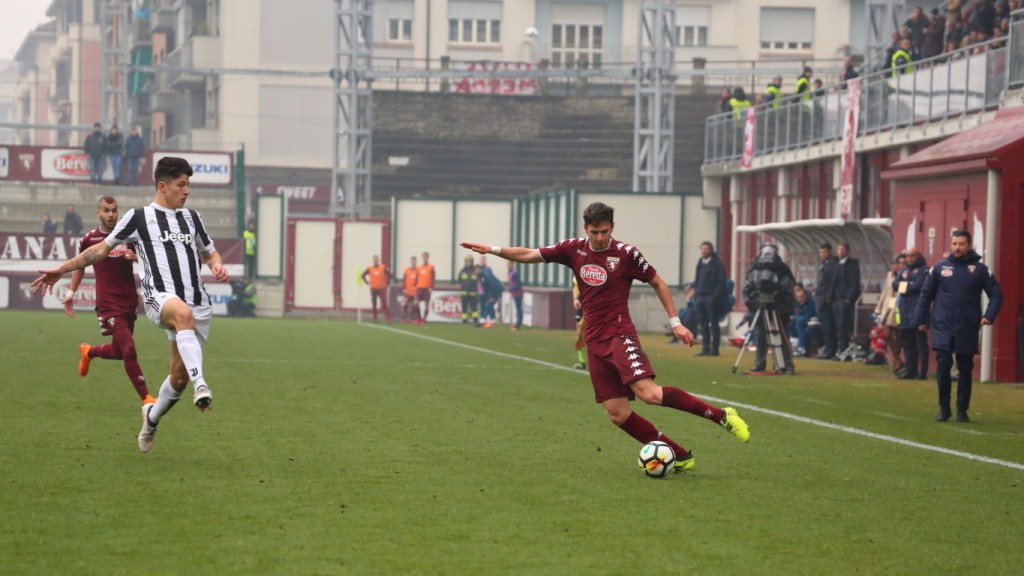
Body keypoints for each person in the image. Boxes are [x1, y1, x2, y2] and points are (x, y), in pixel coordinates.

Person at [460, 202, 750, 473]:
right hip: (594, 340)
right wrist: (493, 249)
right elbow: (528, 254)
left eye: (605, 231)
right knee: (617, 413)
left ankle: (721, 415)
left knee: (650, 394)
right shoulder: (572, 249)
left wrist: (676, 322)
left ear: (612, 227)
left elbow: (658, 282)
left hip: (619, 334)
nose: (600, 237)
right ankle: (680, 456)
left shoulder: (626, 254)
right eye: (594, 232)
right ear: (586, 229)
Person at [33, 156, 229, 453]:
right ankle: (202, 384)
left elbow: (210, 253)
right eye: (181, 185)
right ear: (163, 186)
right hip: (160, 297)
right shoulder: (139, 217)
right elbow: (99, 250)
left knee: (178, 377)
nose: (187, 191)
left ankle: (151, 419)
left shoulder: (193, 218)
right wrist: (60, 270)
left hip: (198, 302)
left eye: (188, 185)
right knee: (182, 316)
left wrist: (216, 265)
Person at [62, 195, 154, 406]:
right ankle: (147, 399)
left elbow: (151, 258)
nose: (111, 215)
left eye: (114, 210)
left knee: (118, 352)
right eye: (106, 210)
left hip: (129, 301)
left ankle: (88, 351)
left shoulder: (129, 237)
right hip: (108, 304)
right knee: (129, 348)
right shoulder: (89, 239)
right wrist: (70, 294)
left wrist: (136, 256)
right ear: (98, 213)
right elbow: (80, 266)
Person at [913, 230, 1003, 423]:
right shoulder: (939, 267)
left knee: (964, 367)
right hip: (942, 325)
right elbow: (925, 294)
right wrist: (921, 319)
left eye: (961, 244)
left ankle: (962, 409)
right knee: (943, 364)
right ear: (951, 244)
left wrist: (989, 316)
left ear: (969, 245)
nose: (958, 248)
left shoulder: (979, 269)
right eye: (954, 243)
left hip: (967, 326)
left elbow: (996, 294)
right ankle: (944, 408)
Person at [741, 244, 796, 374]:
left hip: (778, 308)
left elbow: (788, 290)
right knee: (760, 336)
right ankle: (760, 364)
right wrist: (755, 304)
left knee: (781, 336)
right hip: (760, 307)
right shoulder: (755, 270)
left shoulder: (782, 270)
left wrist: (778, 297)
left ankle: (786, 365)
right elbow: (747, 289)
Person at [895, 246, 929, 380]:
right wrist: (907, 285)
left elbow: (917, 286)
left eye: (912, 256)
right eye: (908, 256)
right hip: (904, 312)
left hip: (918, 311)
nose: (910, 258)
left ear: (918, 256)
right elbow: (894, 284)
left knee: (921, 344)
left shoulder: (924, 271)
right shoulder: (904, 270)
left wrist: (904, 286)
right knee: (908, 344)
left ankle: (923, 372)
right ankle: (910, 370)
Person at [873, 253, 906, 376]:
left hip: (898, 309)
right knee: (887, 334)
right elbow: (885, 292)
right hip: (888, 308)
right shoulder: (889, 275)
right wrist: (878, 308)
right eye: (899, 263)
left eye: (904, 263)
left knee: (897, 336)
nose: (901, 266)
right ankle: (897, 360)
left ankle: (897, 361)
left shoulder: (906, 276)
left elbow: (901, 292)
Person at [693, 241, 727, 356]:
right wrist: (696, 294)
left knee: (713, 324)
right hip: (700, 297)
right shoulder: (700, 263)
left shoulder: (717, 264)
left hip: (711, 298)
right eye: (702, 249)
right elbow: (697, 279)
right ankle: (705, 348)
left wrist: (714, 297)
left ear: (710, 250)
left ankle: (715, 349)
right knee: (703, 325)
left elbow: (721, 283)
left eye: (706, 249)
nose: (704, 251)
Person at [831, 242, 861, 358]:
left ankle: (844, 348)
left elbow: (855, 283)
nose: (840, 252)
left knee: (843, 324)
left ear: (847, 251)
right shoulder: (835, 264)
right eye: (839, 249)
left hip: (845, 299)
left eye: (843, 250)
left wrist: (849, 299)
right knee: (836, 325)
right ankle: (839, 348)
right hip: (836, 299)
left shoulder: (852, 264)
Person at [813, 242, 839, 359]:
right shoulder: (823, 264)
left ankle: (830, 350)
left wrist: (827, 298)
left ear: (830, 252)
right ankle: (827, 349)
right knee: (825, 327)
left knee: (829, 327)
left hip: (826, 301)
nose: (822, 254)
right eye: (821, 252)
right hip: (820, 300)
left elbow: (832, 283)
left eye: (824, 252)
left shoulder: (833, 265)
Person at [361, 254, 392, 323]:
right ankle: (375, 319)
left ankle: (388, 318)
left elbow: (390, 275)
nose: (375, 260)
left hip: (381, 289)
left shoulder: (382, 267)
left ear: (378, 260)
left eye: (376, 259)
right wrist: (367, 282)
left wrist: (386, 283)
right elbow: (362, 275)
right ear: (373, 260)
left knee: (384, 304)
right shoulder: (370, 268)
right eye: (374, 259)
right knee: (374, 304)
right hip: (373, 289)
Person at [790, 282, 818, 357]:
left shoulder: (810, 303)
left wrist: (795, 317)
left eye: (802, 297)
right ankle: (794, 344)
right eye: (798, 298)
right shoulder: (796, 303)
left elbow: (807, 317)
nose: (800, 299)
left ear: (805, 296)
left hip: (811, 321)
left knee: (799, 322)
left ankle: (802, 347)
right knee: (792, 323)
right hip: (802, 322)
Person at [477, 256, 501, 328]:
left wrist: (491, 296)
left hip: (494, 291)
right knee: (487, 305)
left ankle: (488, 320)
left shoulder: (486, 273)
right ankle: (486, 320)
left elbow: (491, 285)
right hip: (487, 292)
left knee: (488, 305)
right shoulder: (481, 275)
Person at [457, 255, 479, 325]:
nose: (468, 262)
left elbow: (478, 281)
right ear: (465, 262)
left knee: (474, 308)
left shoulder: (475, 271)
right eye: (467, 261)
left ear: (472, 262)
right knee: (464, 307)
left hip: (473, 292)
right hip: (464, 293)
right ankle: (464, 320)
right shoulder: (462, 271)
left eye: (470, 261)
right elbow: (459, 281)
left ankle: (475, 320)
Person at [415, 251, 435, 324]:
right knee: (416, 303)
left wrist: (431, 287)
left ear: (428, 257)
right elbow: (417, 277)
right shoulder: (419, 267)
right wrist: (415, 286)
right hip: (420, 287)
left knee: (426, 304)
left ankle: (424, 319)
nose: (424, 258)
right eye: (423, 256)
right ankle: (419, 318)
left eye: (426, 256)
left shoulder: (431, 267)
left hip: (427, 288)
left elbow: (433, 278)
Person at [571, 277, 587, 369]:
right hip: (582, 304)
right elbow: (576, 286)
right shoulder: (579, 268)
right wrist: (575, 299)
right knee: (579, 333)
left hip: (593, 304)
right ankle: (581, 361)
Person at [400, 255, 419, 323]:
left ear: (416, 261)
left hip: (415, 291)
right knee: (405, 304)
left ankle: (413, 319)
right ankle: (403, 318)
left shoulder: (418, 270)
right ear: (410, 261)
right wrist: (404, 288)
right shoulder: (406, 270)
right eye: (412, 260)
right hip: (407, 290)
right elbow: (404, 280)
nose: (413, 262)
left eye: (414, 260)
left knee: (414, 305)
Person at [507, 260, 524, 331]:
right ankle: (517, 322)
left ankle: (518, 323)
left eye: (509, 264)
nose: (507, 265)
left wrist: (511, 289)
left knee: (519, 308)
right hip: (514, 293)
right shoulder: (509, 272)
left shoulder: (514, 273)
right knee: (517, 308)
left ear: (512, 264)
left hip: (518, 293)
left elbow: (519, 284)